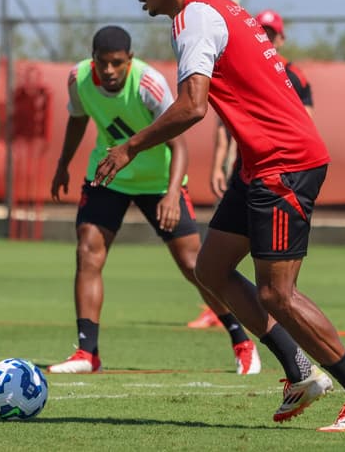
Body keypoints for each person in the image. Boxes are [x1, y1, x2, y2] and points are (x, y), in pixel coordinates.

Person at [92, 0, 345, 431]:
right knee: (209, 268)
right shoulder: (218, 7)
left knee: (278, 294)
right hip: (261, 163)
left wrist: (129, 147)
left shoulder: (193, 18)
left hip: (283, 163)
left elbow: (192, 106)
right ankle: (300, 371)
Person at [47, 25, 261, 376]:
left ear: (129, 60)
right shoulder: (78, 78)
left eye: (117, 63)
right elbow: (78, 117)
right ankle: (87, 353)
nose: (110, 70)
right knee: (88, 251)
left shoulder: (149, 84)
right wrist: (62, 165)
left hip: (160, 181)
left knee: (196, 266)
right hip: (109, 174)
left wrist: (173, 193)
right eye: (103, 63)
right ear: (93, 60)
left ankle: (243, 342)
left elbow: (179, 143)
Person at [191, 8, 315, 329]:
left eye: (273, 33)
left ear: (281, 38)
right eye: (264, 32)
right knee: (214, 263)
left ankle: (286, 316)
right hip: (245, 169)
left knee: (276, 283)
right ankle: (224, 308)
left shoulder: (294, 75)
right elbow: (225, 123)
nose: (268, 37)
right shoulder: (242, 68)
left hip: (278, 171)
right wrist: (219, 164)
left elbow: (306, 123)